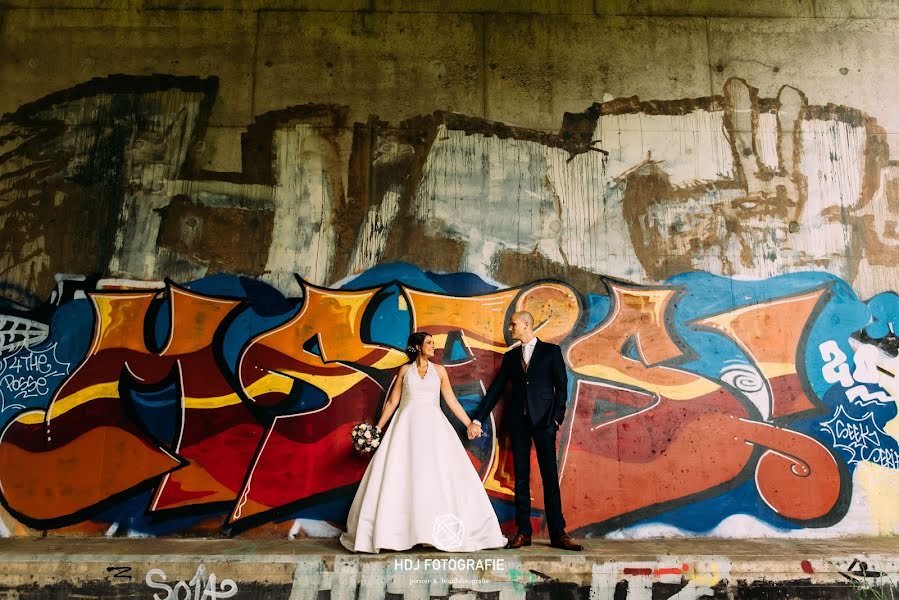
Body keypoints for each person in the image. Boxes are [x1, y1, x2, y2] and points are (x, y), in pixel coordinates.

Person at [340, 332, 507, 553]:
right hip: (405, 429)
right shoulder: (404, 371)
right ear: (418, 347)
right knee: (403, 476)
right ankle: (401, 533)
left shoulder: (439, 371)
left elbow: (451, 401)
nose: (434, 347)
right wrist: (377, 429)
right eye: (429, 343)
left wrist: (470, 424)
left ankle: (432, 534)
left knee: (433, 478)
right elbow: (392, 402)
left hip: (434, 430)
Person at [467, 311, 583, 551]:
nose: (511, 328)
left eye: (514, 324)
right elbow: (496, 390)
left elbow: (562, 387)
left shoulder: (551, 352)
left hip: (544, 423)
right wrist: (477, 419)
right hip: (518, 423)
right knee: (520, 478)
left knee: (550, 478)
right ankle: (523, 532)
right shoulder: (510, 358)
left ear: (527, 325)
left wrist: (556, 420)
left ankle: (558, 534)